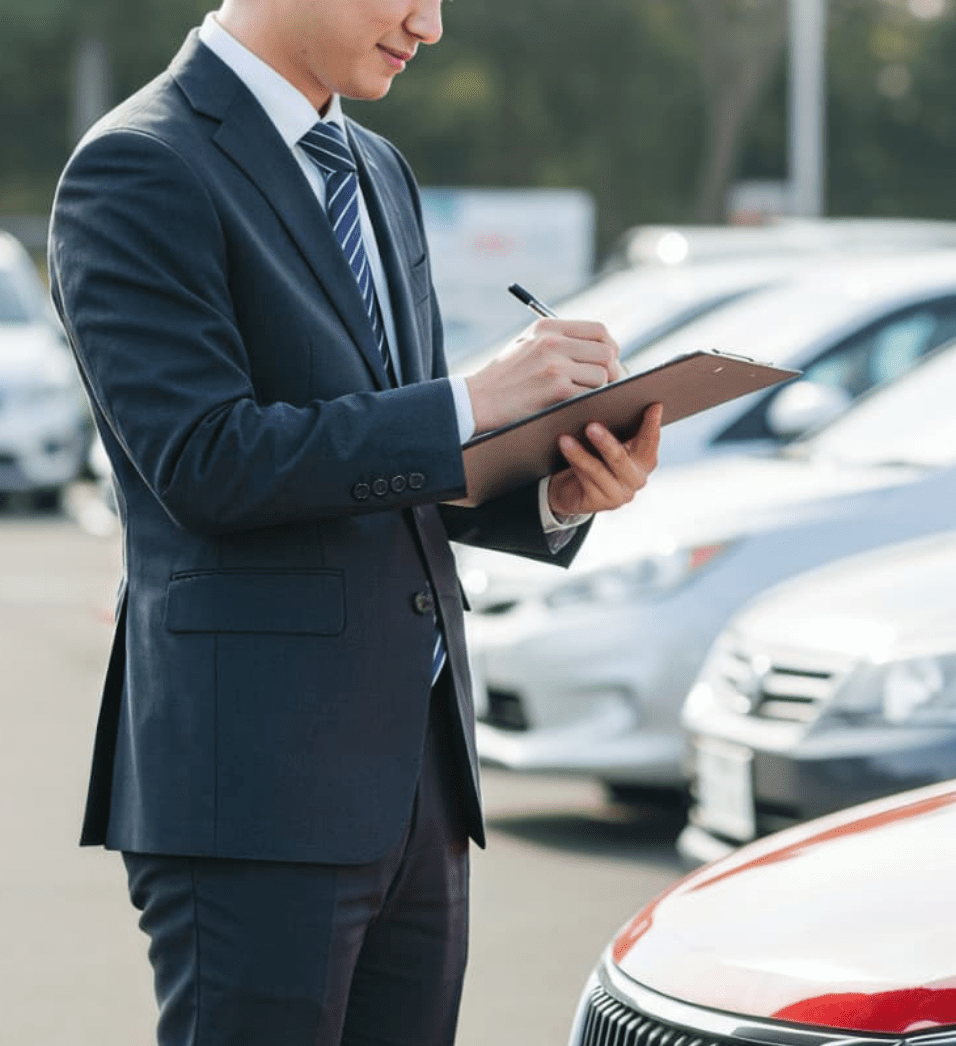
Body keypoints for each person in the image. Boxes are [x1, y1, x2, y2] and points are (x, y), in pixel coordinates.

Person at [46, 1, 662, 1044]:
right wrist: (473, 399)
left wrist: (558, 494)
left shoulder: (377, 167)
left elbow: (392, 465)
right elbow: (204, 462)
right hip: (256, 788)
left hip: (419, 776)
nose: (430, 24)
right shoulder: (139, 164)